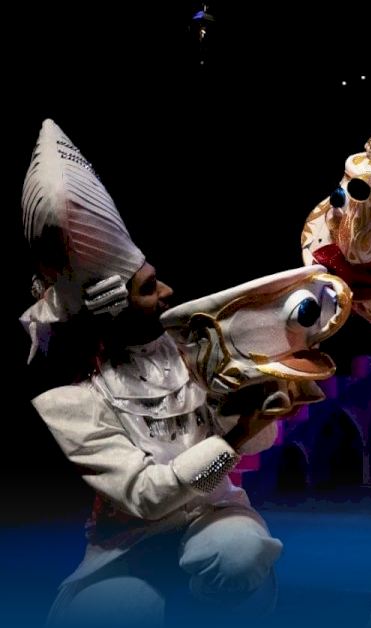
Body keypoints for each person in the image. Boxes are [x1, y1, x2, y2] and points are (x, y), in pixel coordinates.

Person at [21, 119, 282, 627]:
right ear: (113, 309)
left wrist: (258, 406)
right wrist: (235, 436)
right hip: (129, 538)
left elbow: (260, 441)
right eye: (148, 288)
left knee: (239, 555)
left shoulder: (192, 345)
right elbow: (144, 495)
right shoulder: (74, 400)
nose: (166, 293)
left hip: (214, 514)